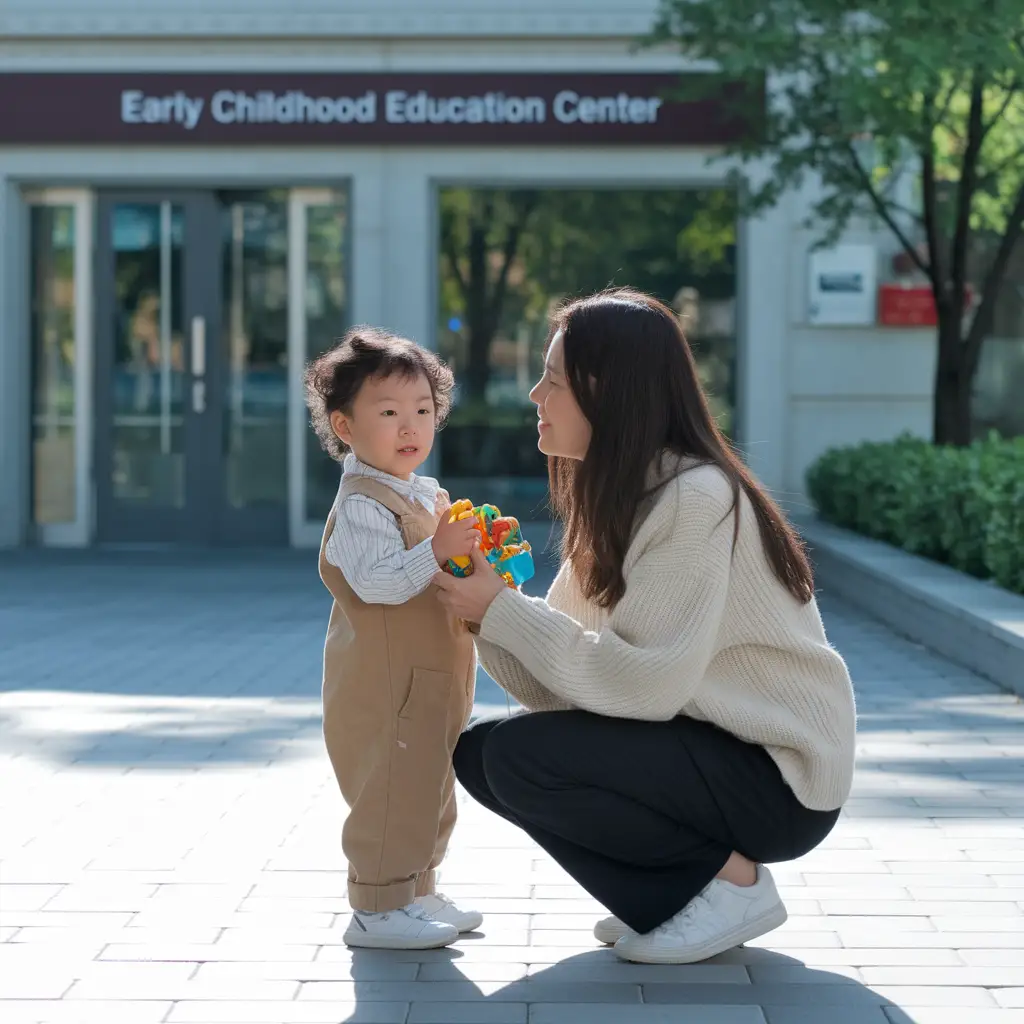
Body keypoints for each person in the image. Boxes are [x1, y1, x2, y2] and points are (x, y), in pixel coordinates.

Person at [433, 288, 857, 965]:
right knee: (484, 757)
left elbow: (640, 685)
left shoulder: (693, 498)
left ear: (609, 391)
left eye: (555, 380)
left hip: (779, 776)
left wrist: (500, 611)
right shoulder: (620, 500)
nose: (536, 394)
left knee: (518, 757)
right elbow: (565, 691)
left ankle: (729, 885)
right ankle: (678, 898)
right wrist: (487, 605)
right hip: (702, 746)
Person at [304, 326, 484, 950]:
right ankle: (377, 908)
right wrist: (438, 549)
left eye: (423, 411)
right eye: (388, 413)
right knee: (391, 787)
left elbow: (443, 566)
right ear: (345, 427)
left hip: (435, 676)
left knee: (433, 784)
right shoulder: (361, 503)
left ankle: (419, 888)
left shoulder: (424, 493)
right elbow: (380, 583)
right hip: (387, 687)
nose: (411, 427)